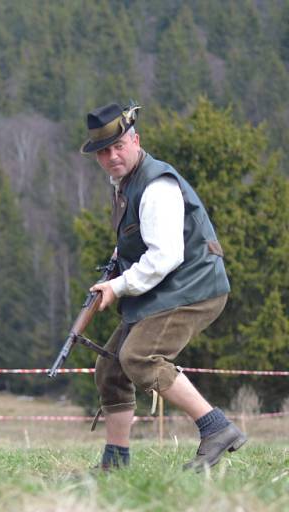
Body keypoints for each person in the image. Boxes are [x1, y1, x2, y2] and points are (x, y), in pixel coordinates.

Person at [79, 102, 246, 471]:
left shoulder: (156, 185)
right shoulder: (123, 184)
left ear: (135, 140)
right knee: (111, 369)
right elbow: (139, 239)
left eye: (118, 146)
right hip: (166, 290)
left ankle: (216, 428)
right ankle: (115, 464)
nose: (112, 156)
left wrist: (118, 287)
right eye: (104, 151)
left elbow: (166, 256)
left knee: (139, 357)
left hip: (195, 288)